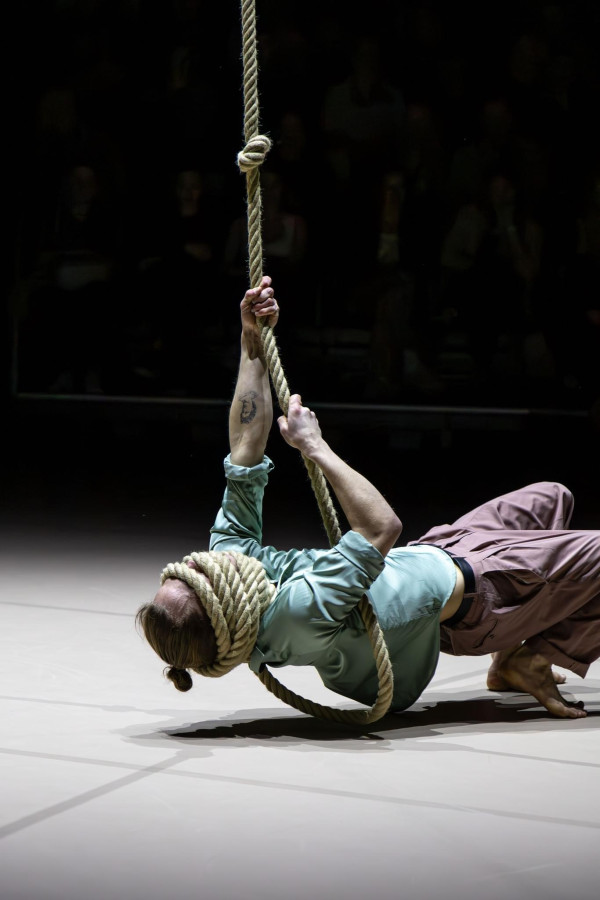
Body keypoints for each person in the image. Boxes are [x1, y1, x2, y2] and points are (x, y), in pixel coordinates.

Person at [137, 276, 600, 720]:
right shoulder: (294, 616)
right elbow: (381, 528)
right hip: (480, 599)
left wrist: (251, 340)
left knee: (551, 498)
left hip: (434, 553)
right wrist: (315, 446)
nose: (194, 563)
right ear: (223, 611)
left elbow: (244, 450)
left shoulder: (228, 567)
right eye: (193, 578)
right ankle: (534, 659)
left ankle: (509, 659)